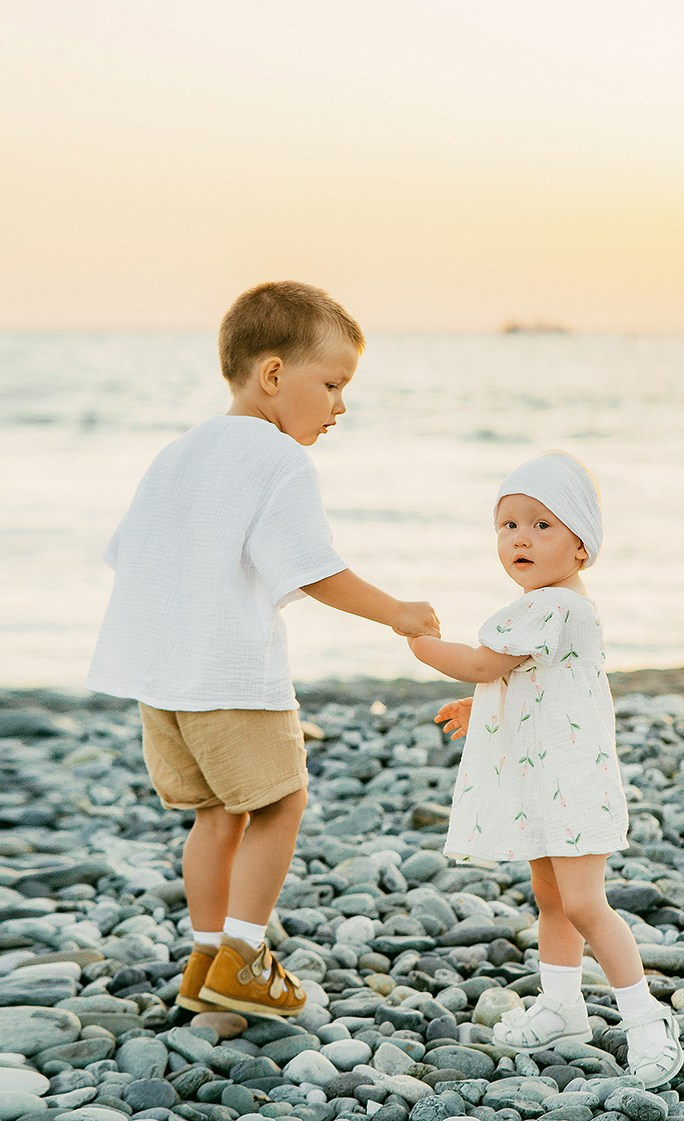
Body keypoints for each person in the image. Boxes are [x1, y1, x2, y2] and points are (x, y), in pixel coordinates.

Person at [88, 280, 439, 1019]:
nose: (341, 406)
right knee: (282, 802)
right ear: (274, 374)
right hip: (232, 677)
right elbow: (314, 569)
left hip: (164, 680)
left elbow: (130, 555)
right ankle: (245, 957)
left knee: (214, 817)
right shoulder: (279, 461)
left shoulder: (177, 453)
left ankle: (205, 958)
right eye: (333, 384)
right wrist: (398, 613)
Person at [407, 451, 683, 1090]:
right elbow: (527, 683)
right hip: (547, 776)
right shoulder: (549, 610)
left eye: (542, 525)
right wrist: (480, 709)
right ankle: (562, 1005)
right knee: (551, 897)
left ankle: (646, 1018)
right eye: (508, 526)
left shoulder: (555, 607)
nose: (520, 539)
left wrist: (418, 642)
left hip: (571, 782)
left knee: (585, 903)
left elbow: (484, 664)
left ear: (581, 546)